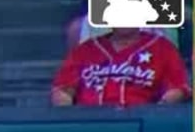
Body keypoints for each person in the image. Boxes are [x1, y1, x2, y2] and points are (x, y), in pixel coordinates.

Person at [51, 25, 191, 106]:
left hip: (141, 121)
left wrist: (157, 112)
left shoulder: (162, 47)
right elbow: (62, 90)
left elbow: (178, 88)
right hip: (90, 121)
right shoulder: (86, 50)